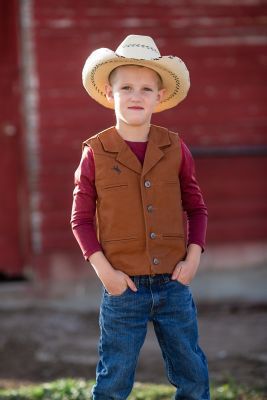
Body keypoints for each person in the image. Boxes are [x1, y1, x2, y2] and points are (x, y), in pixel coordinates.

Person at [71, 34, 210, 400]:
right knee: (114, 379)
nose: (136, 95)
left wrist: (193, 257)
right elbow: (80, 220)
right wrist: (107, 274)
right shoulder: (95, 153)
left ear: (160, 97)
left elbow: (196, 207)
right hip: (122, 287)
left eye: (147, 88)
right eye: (127, 87)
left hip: (174, 284)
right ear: (109, 93)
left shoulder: (175, 147)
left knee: (193, 374)